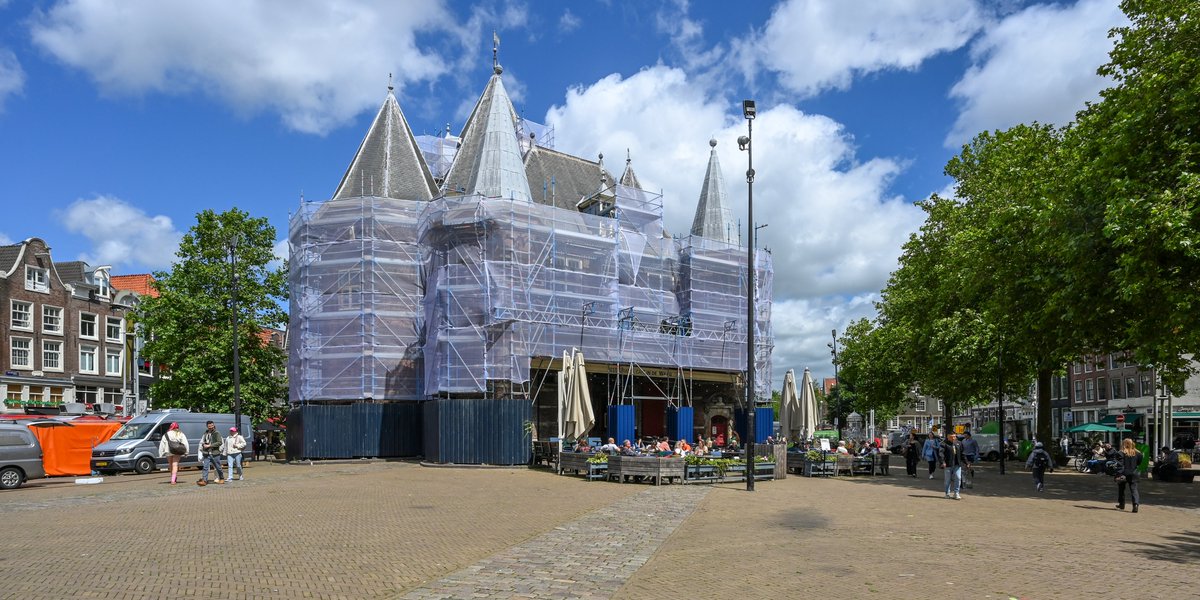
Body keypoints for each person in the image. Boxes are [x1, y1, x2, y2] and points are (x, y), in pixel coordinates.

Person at [1115, 438, 1143, 512]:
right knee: (1134, 489)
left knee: (1121, 489)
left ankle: (1122, 504)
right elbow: (1139, 462)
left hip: (1124, 473)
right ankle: (1135, 505)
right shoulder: (1138, 453)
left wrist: (1118, 474)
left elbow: (1120, 465)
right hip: (1134, 473)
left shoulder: (1120, 453)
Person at [938, 433, 966, 500]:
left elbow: (962, 453)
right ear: (948, 437)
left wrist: (966, 462)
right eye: (951, 437)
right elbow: (941, 453)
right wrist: (942, 462)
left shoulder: (959, 443)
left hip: (957, 464)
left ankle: (956, 493)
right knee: (948, 480)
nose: (953, 438)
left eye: (954, 437)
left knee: (958, 477)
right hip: (948, 464)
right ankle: (947, 493)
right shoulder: (944, 444)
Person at [198, 421, 225, 486]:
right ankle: (204, 480)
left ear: (213, 425)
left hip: (214, 453)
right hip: (206, 453)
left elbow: (219, 442)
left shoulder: (216, 433)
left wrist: (210, 445)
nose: (211, 427)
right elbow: (202, 441)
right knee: (205, 467)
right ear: (207, 426)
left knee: (218, 467)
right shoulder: (205, 433)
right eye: (209, 426)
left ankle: (221, 478)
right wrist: (203, 445)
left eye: (212, 426)